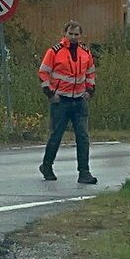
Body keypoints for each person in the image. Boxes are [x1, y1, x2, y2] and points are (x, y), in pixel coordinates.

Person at [38, 20, 98, 184]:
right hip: (61, 101)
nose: (73, 37)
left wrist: (90, 90)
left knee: (83, 137)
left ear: (80, 35)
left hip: (79, 101)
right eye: (70, 34)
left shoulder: (85, 52)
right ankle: (47, 165)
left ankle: (84, 172)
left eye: (76, 34)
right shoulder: (54, 52)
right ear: (64, 34)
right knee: (56, 136)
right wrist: (50, 94)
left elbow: (91, 72)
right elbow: (43, 73)